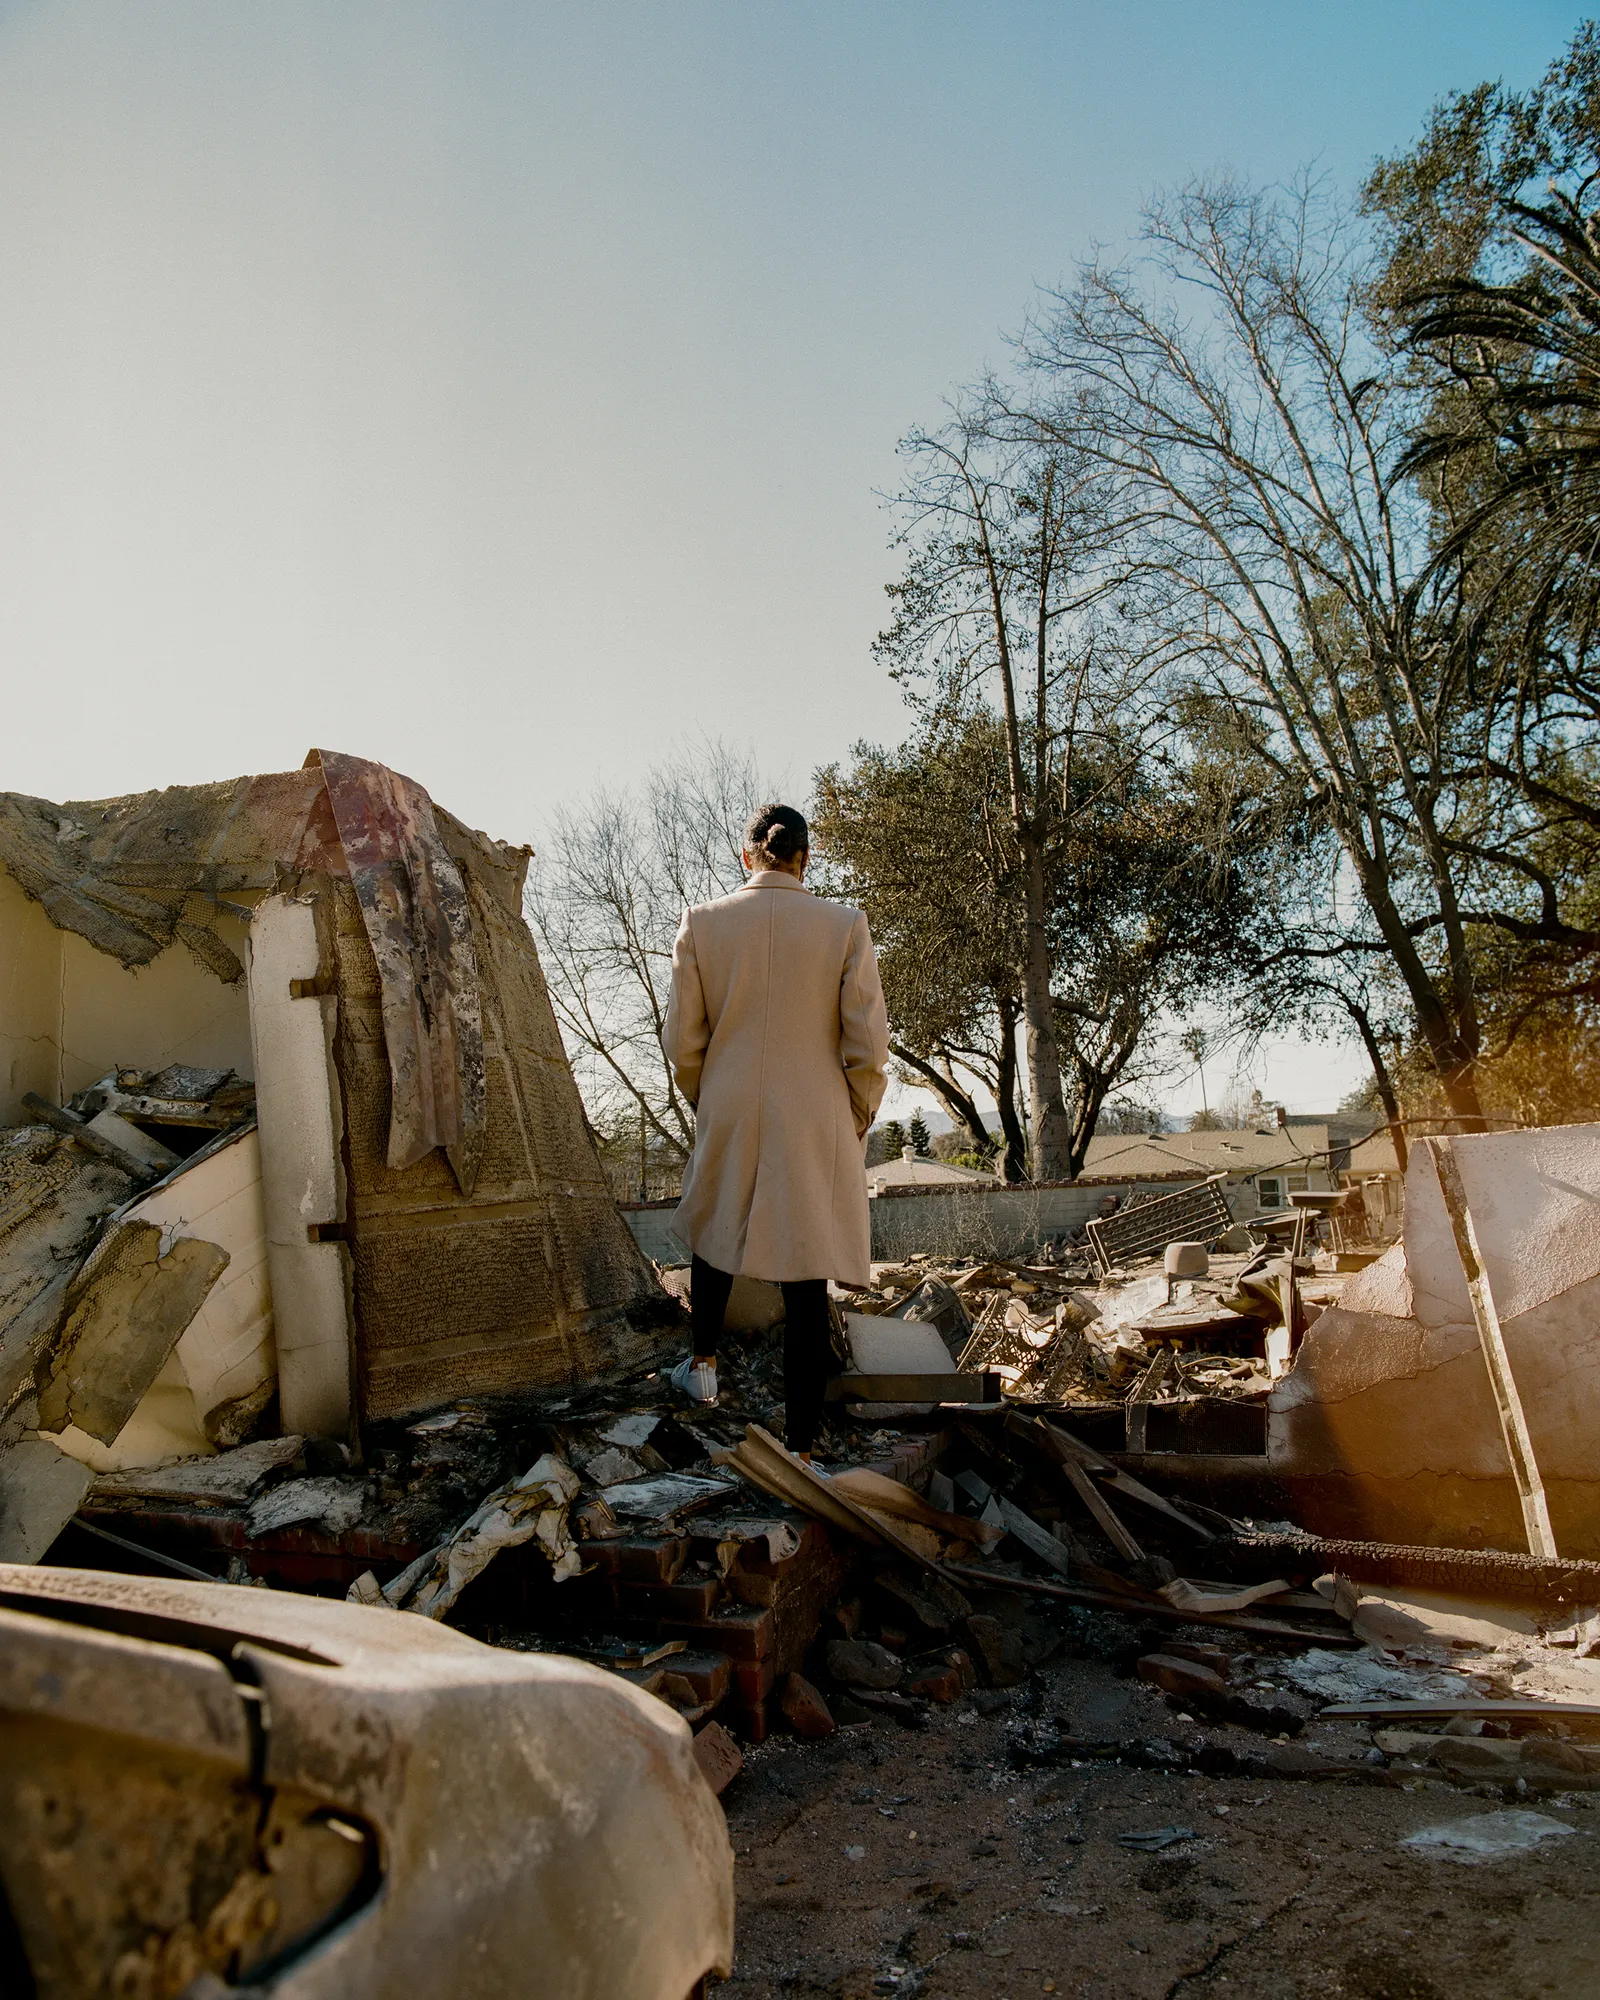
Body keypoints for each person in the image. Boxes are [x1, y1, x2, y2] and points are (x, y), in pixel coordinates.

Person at [661, 802, 889, 1461]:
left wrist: (708, 1095)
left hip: (730, 1097)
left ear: (746, 856)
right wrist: (854, 1111)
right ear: (804, 859)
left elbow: (682, 1040)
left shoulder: (702, 924)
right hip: (815, 1106)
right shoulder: (844, 925)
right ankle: (803, 1446)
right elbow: (868, 1045)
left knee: (714, 1224)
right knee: (805, 1267)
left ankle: (702, 1365)